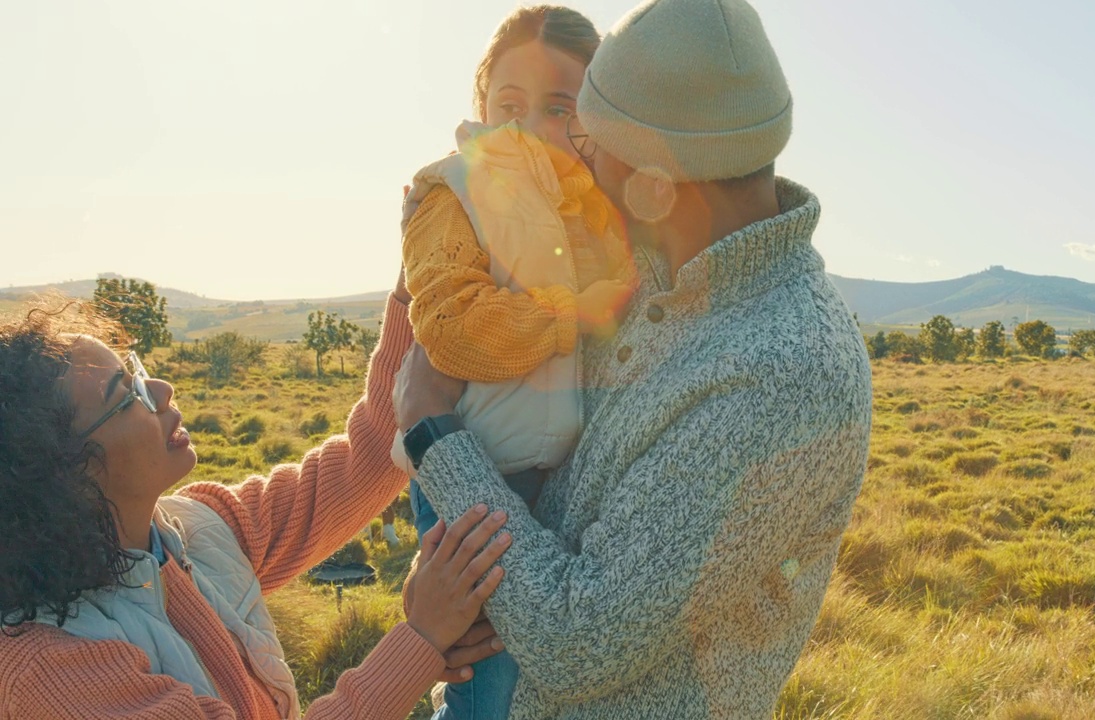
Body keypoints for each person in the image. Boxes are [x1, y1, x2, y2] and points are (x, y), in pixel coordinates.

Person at [397, 0, 874, 717]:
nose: (563, 157)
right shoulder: (655, 265)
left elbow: (573, 639)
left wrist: (435, 435)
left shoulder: (784, 371)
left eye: (588, 139)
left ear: (655, 190)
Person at [0, 269, 510, 719]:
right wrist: (420, 640)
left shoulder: (199, 528)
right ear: (66, 471)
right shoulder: (49, 671)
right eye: (125, 393)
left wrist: (416, 277)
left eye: (135, 368)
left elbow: (370, 458)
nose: (160, 390)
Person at [395, 6, 633, 718]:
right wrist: (571, 315)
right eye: (509, 105)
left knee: (542, 679)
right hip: (470, 470)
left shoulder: (585, 207)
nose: (530, 125)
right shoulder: (452, 190)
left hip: (551, 480)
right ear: (480, 108)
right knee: (488, 683)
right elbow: (453, 328)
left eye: (559, 108)